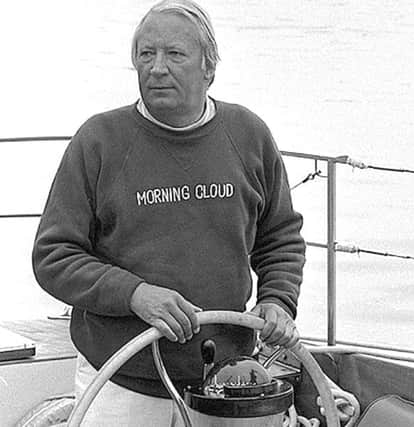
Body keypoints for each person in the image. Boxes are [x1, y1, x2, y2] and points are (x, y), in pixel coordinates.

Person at [32, 0, 305, 424]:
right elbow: (53, 256)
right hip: (120, 379)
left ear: (208, 68)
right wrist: (135, 294)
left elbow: (280, 238)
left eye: (175, 54)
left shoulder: (249, 135)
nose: (157, 68)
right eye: (146, 55)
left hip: (229, 380)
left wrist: (277, 301)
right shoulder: (98, 142)